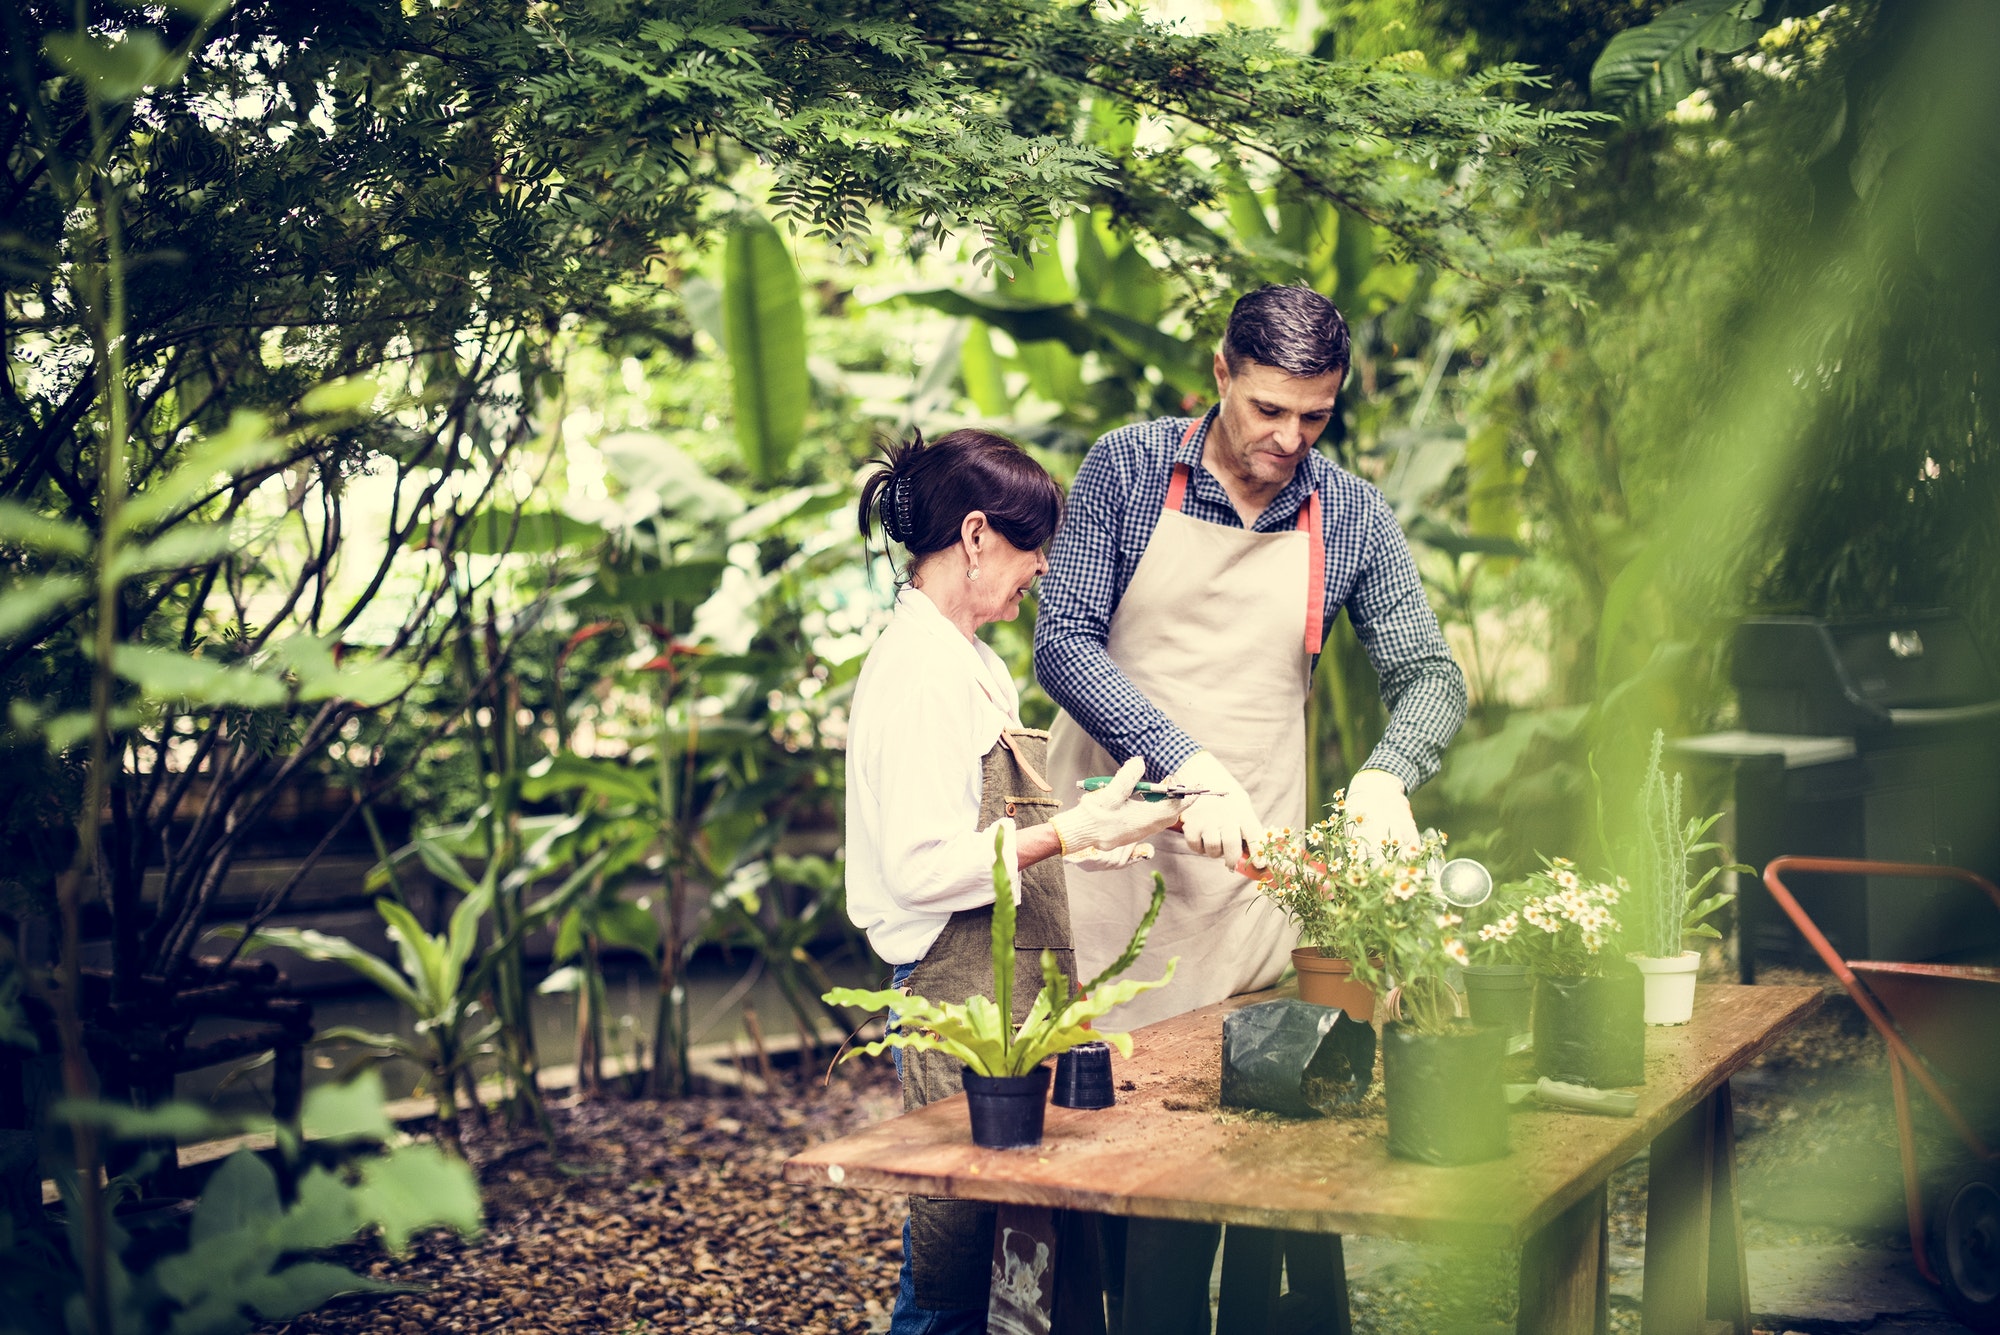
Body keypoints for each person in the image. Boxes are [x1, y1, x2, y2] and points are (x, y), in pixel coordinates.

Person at [1032, 286, 1467, 1333]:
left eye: (1312, 416)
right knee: (1114, 1190)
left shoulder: (1348, 514)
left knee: (1252, 1162)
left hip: (1246, 882)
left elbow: (1430, 676)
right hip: (1106, 864)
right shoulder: (1129, 469)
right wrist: (1183, 763)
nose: (1285, 439)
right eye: (1267, 408)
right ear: (1220, 372)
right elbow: (1062, 644)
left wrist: (1382, 775)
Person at [845, 428, 1188, 1335]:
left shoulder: (975, 663)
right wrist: (1067, 833)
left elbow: (997, 829)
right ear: (973, 536)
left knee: (1024, 1274)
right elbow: (919, 871)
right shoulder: (918, 673)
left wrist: (1098, 829)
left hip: (1017, 1007)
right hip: (954, 1003)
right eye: (1031, 544)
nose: (1041, 566)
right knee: (953, 1280)